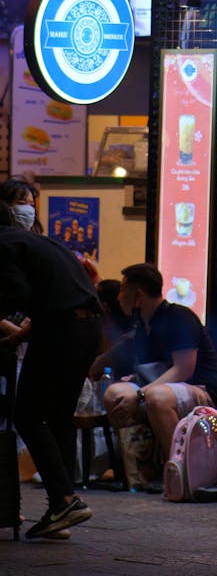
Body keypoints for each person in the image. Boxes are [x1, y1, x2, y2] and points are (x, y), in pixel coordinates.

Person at [0, 199, 102, 539]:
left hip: (61, 331)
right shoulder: (35, 241)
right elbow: (55, 292)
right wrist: (25, 334)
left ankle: (65, 500)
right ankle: (62, 507)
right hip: (85, 329)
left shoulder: (3, 245)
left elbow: (18, 291)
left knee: (27, 415)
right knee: (59, 416)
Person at [94, 262, 217, 466]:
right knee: (114, 394)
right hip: (165, 390)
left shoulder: (179, 317)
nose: (119, 297)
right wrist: (135, 383)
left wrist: (139, 394)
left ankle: (182, 469)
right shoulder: (141, 326)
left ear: (138, 295)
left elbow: (183, 369)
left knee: (155, 397)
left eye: (122, 290)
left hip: (200, 389)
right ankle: (138, 469)